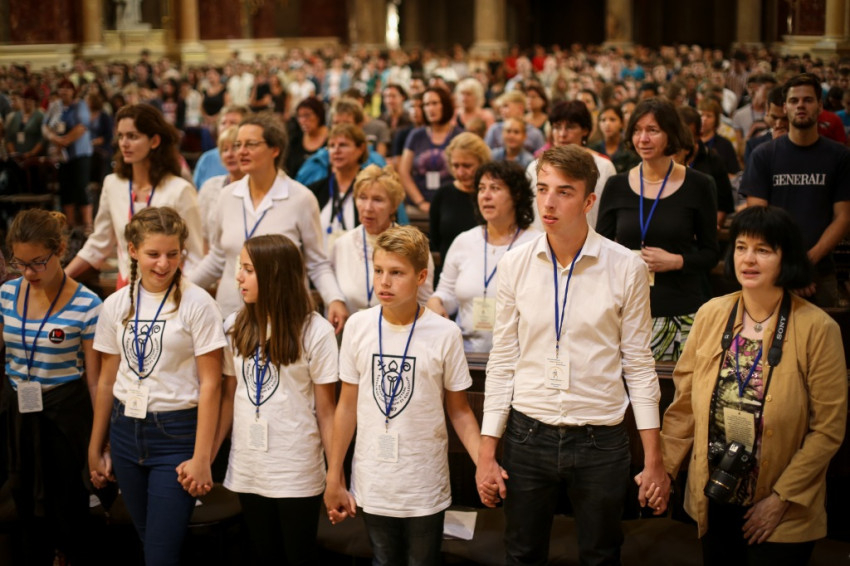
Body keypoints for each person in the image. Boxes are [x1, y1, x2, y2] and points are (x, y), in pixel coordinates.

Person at [476, 146, 667, 565]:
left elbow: (639, 365)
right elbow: (502, 360)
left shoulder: (626, 267)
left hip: (600, 437)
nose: (548, 202)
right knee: (521, 554)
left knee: (601, 555)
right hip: (528, 432)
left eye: (564, 192)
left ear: (588, 201)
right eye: (543, 189)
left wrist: (654, 458)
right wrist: (486, 452)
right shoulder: (515, 264)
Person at [657, 205, 847, 566]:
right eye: (742, 247)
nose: (748, 258)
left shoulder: (818, 328)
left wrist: (781, 498)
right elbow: (684, 403)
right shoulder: (712, 313)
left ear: (786, 257)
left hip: (782, 504)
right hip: (715, 493)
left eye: (763, 250)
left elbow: (828, 429)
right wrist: (664, 469)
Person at [324, 225, 482, 566]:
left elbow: (459, 411)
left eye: (396, 273)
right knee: (382, 559)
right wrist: (334, 474)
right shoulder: (358, 326)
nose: (384, 282)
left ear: (421, 277)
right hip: (373, 479)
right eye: (379, 271)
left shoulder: (445, 333)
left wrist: (484, 462)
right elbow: (346, 406)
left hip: (424, 482)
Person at [88, 207, 227, 566]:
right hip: (124, 430)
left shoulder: (199, 304)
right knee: (149, 541)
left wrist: (203, 458)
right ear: (133, 251)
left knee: (160, 554)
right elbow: (106, 381)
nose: (164, 264)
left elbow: (212, 384)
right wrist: (96, 445)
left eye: (172, 254)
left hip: (176, 434)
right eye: (153, 254)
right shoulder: (116, 304)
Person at [207, 234, 338, 566]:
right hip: (250, 465)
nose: (238, 277)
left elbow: (327, 413)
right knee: (263, 555)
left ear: (274, 275)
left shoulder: (315, 331)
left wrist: (336, 474)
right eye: (240, 268)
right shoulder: (235, 325)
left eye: (248, 270)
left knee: (298, 556)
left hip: (296, 468)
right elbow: (228, 398)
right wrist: (206, 457)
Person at [1, 209, 102, 565]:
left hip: (64, 416)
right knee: (23, 502)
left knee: (66, 507)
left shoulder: (87, 305)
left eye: (38, 263)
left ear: (60, 250)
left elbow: (95, 380)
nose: (29, 273)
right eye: (20, 264)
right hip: (18, 412)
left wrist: (99, 441)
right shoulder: (7, 294)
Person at [190, 112, 349, 328]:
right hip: (231, 316)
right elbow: (217, 258)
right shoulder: (226, 196)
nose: (241, 151)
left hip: (283, 317)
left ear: (275, 149)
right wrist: (182, 287)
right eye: (238, 144)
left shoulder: (301, 198)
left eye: (251, 144)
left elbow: (317, 263)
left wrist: (334, 299)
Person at [598, 97, 719, 361]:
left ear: (670, 134)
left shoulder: (698, 185)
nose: (643, 138)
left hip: (680, 309)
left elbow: (711, 254)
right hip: (627, 310)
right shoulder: (616, 185)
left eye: (652, 130)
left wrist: (677, 261)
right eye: (637, 130)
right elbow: (600, 250)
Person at [741, 73, 850, 308]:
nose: (800, 105)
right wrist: (789, 267)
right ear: (785, 107)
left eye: (808, 100)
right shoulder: (763, 155)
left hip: (820, 270)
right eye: (794, 100)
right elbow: (757, 218)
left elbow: (843, 217)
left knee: (825, 331)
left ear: (820, 106)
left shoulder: (839, 156)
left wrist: (805, 263)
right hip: (772, 270)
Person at [66, 104, 203, 288]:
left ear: (154, 141)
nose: (124, 143)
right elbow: (99, 244)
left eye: (132, 136)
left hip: (168, 289)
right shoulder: (113, 184)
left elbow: (195, 256)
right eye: (121, 136)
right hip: (126, 288)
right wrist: (61, 277)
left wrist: (182, 294)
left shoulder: (180, 190)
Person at [427, 160, 538, 353]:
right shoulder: (464, 241)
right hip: (465, 353)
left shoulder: (535, 244)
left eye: (495, 188)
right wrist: (436, 301)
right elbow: (446, 292)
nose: (485, 196)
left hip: (516, 356)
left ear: (517, 195)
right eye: (481, 188)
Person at [331, 165, 434, 314]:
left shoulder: (413, 245)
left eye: (377, 200)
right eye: (362, 198)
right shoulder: (342, 244)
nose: (367, 207)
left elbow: (425, 300)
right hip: (352, 325)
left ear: (393, 206)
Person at [526, 100, 617, 229]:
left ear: (585, 130)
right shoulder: (535, 167)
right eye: (557, 127)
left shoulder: (603, 167)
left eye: (570, 127)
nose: (562, 134)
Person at [429, 132, 492, 275]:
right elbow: (435, 239)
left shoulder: (489, 197)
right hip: (449, 273)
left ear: (482, 163)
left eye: (467, 166)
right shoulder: (443, 194)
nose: (460, 172)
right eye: (455, 166)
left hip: (484, 272)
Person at [398, 86, 464, 211]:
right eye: (426, 104)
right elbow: (404, 172)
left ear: (445, 105)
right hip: (419, 205)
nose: (430, 109)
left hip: (452, 204)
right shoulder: (416, 135)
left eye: (434, 103)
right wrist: (421, 202)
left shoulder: (459, 136)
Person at [307, 123, 369, 251]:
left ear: (361, 149)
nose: (336, 150)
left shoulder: (372, 190)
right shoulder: (315, 191)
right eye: (331, 146)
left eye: (343, 145)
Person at [43, 78, 93, 231]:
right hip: (61, 155)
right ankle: (69, 224)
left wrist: (64, 141)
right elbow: (44, 126)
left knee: (81, 186)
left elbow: (82, 126)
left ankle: (87, 224)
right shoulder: (54, 105)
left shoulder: (80, 105)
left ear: (73, 91)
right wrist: (54, 138)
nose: (64, 91)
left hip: (79, 153)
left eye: (68, 88)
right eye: (61, 88)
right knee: (65, 188)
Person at [198, 126, 244, 251]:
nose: (229, 154)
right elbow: (203, 235)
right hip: (213, 258)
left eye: (235, 147)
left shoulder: (255, 188)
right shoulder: (210, 186)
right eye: (224, 150)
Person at [193, 105, 249, 189]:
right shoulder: (206, 159)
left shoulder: (250, 157)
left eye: (233, 123)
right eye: (223, 123)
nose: (226, 127)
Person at [285, 97, 328, 179]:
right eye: (299, 116)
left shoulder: (331, 140)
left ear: (319, 115)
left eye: (307, 115)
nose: (302, 120)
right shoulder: (295, 140)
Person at [590, 105, 640, 174]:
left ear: (622, 123)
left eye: (612, 120)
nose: (607, 124)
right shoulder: (592, 150)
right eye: (603, 120)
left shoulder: (630, 150)